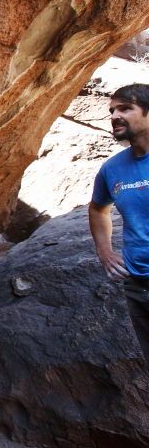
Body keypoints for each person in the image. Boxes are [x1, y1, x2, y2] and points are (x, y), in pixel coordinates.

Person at [88, 83, 149, 361]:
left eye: (125, 108)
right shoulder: (112, 169)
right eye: (112, 110)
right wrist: (105, 252)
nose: (114, 115)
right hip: (139, 286)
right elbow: (98, 209)